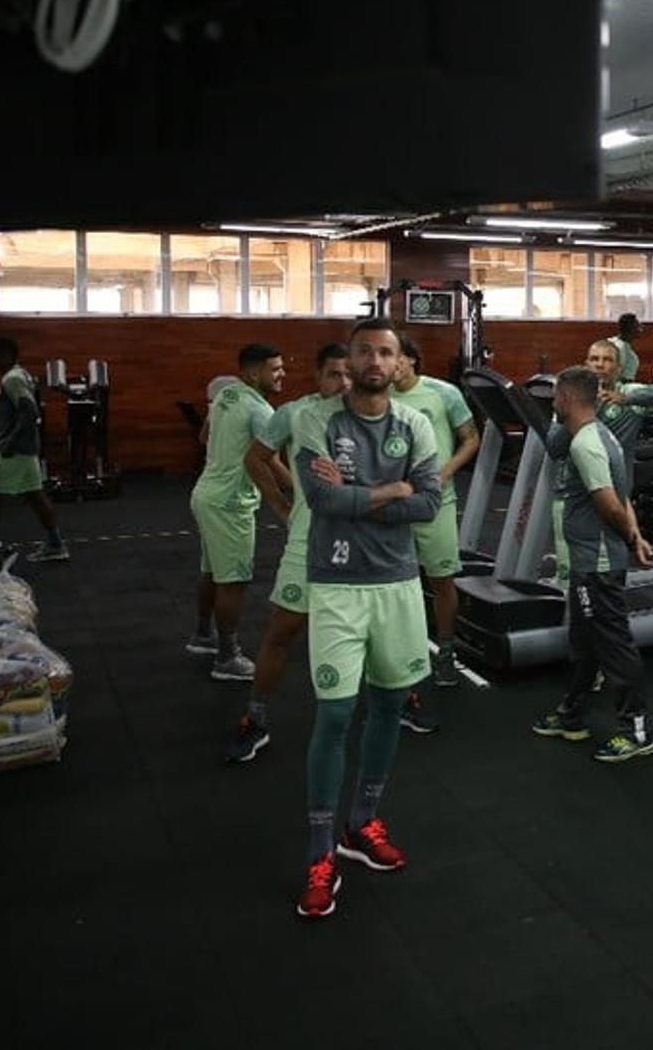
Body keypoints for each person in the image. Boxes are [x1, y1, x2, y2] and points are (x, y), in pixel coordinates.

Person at [290, 320, 443, 920]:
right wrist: (391, 491)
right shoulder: (317, 420)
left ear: (401, 362)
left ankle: (363, 822)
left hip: (399, 585)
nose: (376, 360)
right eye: (365, 351)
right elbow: (324, 501)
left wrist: (362, 493)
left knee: (387, 706)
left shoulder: (417, 424)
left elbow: (428, 504)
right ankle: (319, 850)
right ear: (348, 360)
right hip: (336, 587)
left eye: (387, 351)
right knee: (332, 716)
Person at [227, 343, 350, 764]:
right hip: (308, 540)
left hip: (362, 546)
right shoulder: (295, 413)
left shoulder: (374, 415)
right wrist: (281, 506)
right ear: (318, 377)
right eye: (335, 374)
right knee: (283, 630)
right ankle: (256, 718)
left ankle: (395, 705)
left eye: (350, 374)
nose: (344, 383)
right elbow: (255, 458)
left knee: (370, 635)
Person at [532, 367, 653, 762]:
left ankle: (635, 729)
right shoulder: (599, 435)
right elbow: (623, 498)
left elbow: (609, 504)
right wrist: (635, 537)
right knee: (583, 643)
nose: (553, 404)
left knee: (613, 644)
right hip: (590, 559)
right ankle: (573, 714)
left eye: (555, 398)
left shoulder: (586, 443)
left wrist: (627, 537)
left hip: (597, 561)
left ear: (567, 400)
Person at [187, 343, 284, 681]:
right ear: (254, 373)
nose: (282, 374)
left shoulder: (226, 395)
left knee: (212, 570)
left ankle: (203, 636)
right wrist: (299, 491)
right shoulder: (261, 411)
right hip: (230, 504)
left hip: (205, 494)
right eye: (275, 369)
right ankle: (227, 657)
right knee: (236, 581)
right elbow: (269, 460)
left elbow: (203, 437)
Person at [391, 335, 482, 694]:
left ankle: (445, 652)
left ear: (413, 359)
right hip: (393, 507)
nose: (389, 365)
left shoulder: (444, 393)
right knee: (397, 584)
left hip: (436, 504)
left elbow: (471, 438)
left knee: (441, 580)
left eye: (396, 357)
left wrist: (444, 473)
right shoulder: (379, 396)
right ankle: (400, 654)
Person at [0, 337, 68, 562]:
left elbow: (30, 412)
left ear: (6, 355)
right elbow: (11, 416)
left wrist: (8, 443)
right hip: (25, 450)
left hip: (12, 453)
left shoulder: (12, 379)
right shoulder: (18, 375)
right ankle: (55, 544)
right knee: (35, 496)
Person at [587, 337, 653, 493]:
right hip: (580, 487)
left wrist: (626, 399)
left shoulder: (627, 392)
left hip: (614, 488)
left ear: (618, 368)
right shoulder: (576, 395)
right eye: (594, 359)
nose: (600, 365)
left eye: (607, 360)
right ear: (587, 365)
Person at [607, 312, 643, 383]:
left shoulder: (609, 341)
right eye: (638, 327)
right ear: (631, 329)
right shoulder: (622, 349)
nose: (640, 330)